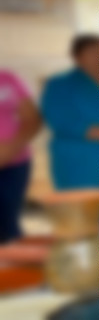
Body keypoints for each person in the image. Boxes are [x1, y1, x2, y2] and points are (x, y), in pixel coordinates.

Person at [41, 34, 99, 190]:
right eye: (91, 53)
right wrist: (97, 134)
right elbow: (58, 118)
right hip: (75, 155)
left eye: (98, 51)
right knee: (77, 200)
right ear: (77, 57)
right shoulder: (59, 83)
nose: (96, 56)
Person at [0, 70, 41, 242]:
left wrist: (10, 150)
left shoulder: (7, 79)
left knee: (8, 224)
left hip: (14, 163)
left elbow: (32, 119)